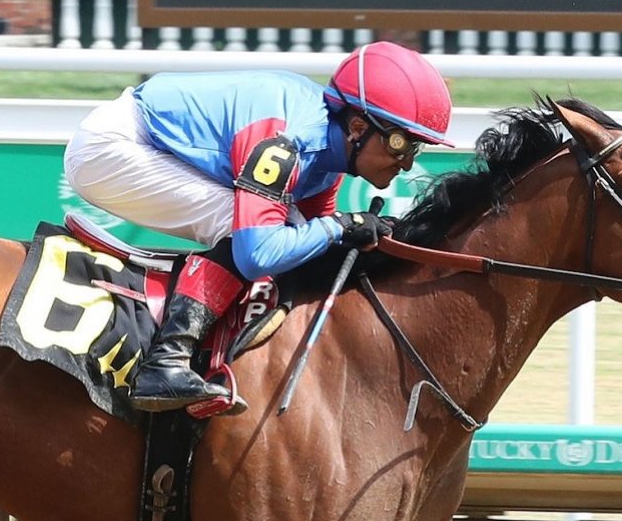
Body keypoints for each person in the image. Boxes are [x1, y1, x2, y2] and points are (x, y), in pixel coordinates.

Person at [62, 41, 453, 415]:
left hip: (151, 144)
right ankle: (166, 361)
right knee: (247, 228)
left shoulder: (328, 160)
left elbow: (313, 238)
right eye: (400, 143)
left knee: (297, 234)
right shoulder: (287, 141)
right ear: (356, 126)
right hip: (111, 148)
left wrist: (354, 235)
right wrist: (342, 225)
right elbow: (257, 254)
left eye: (415, 148)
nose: (406, 162)